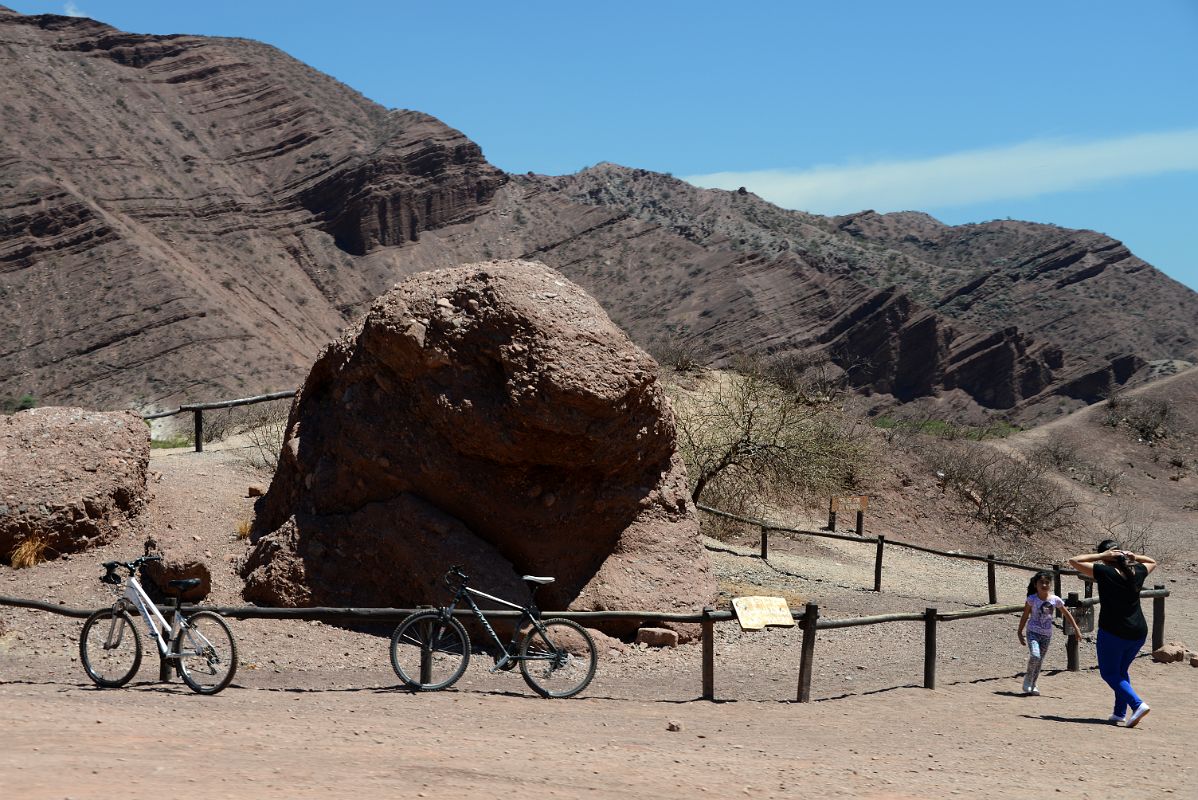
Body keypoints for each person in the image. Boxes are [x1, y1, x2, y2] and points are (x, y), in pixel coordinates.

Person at [1068, 539, 1157, 728]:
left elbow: (1074, 560)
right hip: (1138, 632)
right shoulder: (1136, 572)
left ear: (1107, 558)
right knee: (1121, 672)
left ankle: (1137, 704)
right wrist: (1134, 556)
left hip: (1114, 632)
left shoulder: (1105, 572)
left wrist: (1100, 556)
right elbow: (1152, 562)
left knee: (1109, 673)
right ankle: (1119, 713)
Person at [1016, 570, 1081, 696]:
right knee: (1035, 655)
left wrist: (1076, 629)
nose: (1044, 585)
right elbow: (1024, 616)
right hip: (1033, 632)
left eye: (1047, 583)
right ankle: (1028, 678)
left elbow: (1066, 614)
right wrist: (1019, 632)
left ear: (1051, 585)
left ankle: (1033, 684)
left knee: (1040, 660)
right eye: (1041, 582)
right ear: (1036, 584)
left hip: (1046, 635)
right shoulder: (1032, 599)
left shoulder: (1055, 600)